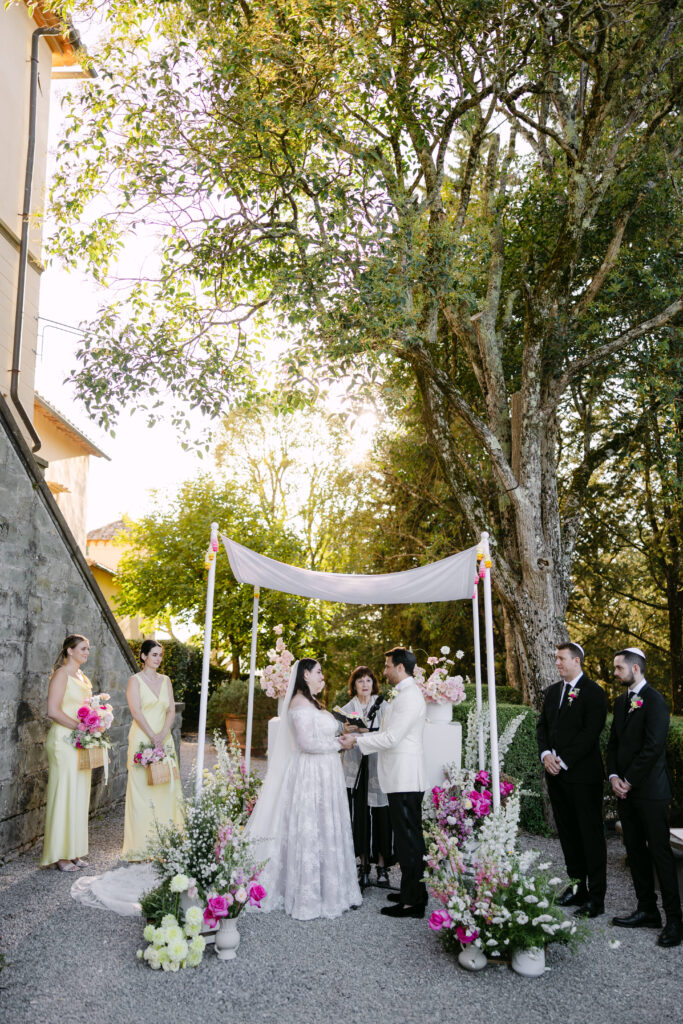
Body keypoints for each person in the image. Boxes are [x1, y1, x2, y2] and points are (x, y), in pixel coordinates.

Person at [246, 658, 362, 920]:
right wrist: (339, 745)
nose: (323, 676)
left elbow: (319, 736)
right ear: (306, 674)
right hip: (310, 773)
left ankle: (329, 888)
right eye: (319, 671)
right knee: (311, 826)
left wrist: (338, 740)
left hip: (325, 771)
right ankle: (308, 895)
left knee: (325, 825)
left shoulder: (312, 702)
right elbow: (307, 743)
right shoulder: (298, 702)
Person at [341, 646, 427, 918]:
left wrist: (358, 740)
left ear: (400, 667)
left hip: (405, 779)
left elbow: (391, 738)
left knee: (409, 842)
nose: (385, 671)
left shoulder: (410, 697)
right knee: (404, 841)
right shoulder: (400, 695)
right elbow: (386, 732)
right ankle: (410, 891)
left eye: (388, 666)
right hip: (397, 779)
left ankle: (412, 904)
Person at [607, 647, 682, 948]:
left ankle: (675, 920)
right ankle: (647, 910)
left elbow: (653, 747)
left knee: (660, 854)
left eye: (618, 668)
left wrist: (628, 780)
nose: (614, 673)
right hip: (625, 792)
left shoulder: (655, 701)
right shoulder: (621, 701)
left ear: (635, 669)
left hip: (650, 792)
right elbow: (612, 745)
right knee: (635, 851)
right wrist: (613, 777)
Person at [536, 641, 607, 917]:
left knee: (589, 835)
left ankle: (596, 898)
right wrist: (545, 756)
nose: (557, 663)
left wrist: (562, 760)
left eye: (562, 658)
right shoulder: (553, 692)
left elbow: (590, 734)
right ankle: (577, 888)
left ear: (577, 661)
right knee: (568, 834)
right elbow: (542, 725)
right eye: (556, 658)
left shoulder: (593, 693)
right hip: (556, 776)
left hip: (582, 777)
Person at [122, 640, 184, 860]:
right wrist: (151, 736)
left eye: (160, 655)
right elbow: (136, 712)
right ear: (143, 656)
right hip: (142, 737)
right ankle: (140, 846)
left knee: (167, 787)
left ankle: (166, 843)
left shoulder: (166, 680)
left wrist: (162, 734)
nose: (158, 659)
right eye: (154, 654)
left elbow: (170, 710)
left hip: (164, 739)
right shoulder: (135, 681)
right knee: (142, 790)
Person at [41, 634, 94, 871]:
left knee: (79, 795)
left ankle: (73, 852)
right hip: (63, 741)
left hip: (80, 741)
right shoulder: (61, 674)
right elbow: (53, 710)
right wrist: (80, 727)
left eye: (88, 649)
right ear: (70, 651)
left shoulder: (83, 677)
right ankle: (59, 855)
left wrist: (95, 723)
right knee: (63, 795)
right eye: (83, 648)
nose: (86, 652)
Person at [340, 666, 394, 889]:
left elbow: (390, 734)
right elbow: (338, 737)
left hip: (377, 768)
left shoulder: (383, 706)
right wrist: (344, 730)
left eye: (368, 681)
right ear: (353, 685)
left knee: (382, 815)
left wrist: (365, 734)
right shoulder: (346, 709)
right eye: (360, 681)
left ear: (374, 684)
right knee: (359, 817)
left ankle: (382, 865)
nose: (364, 684)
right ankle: (363, 864)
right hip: (355, 769)